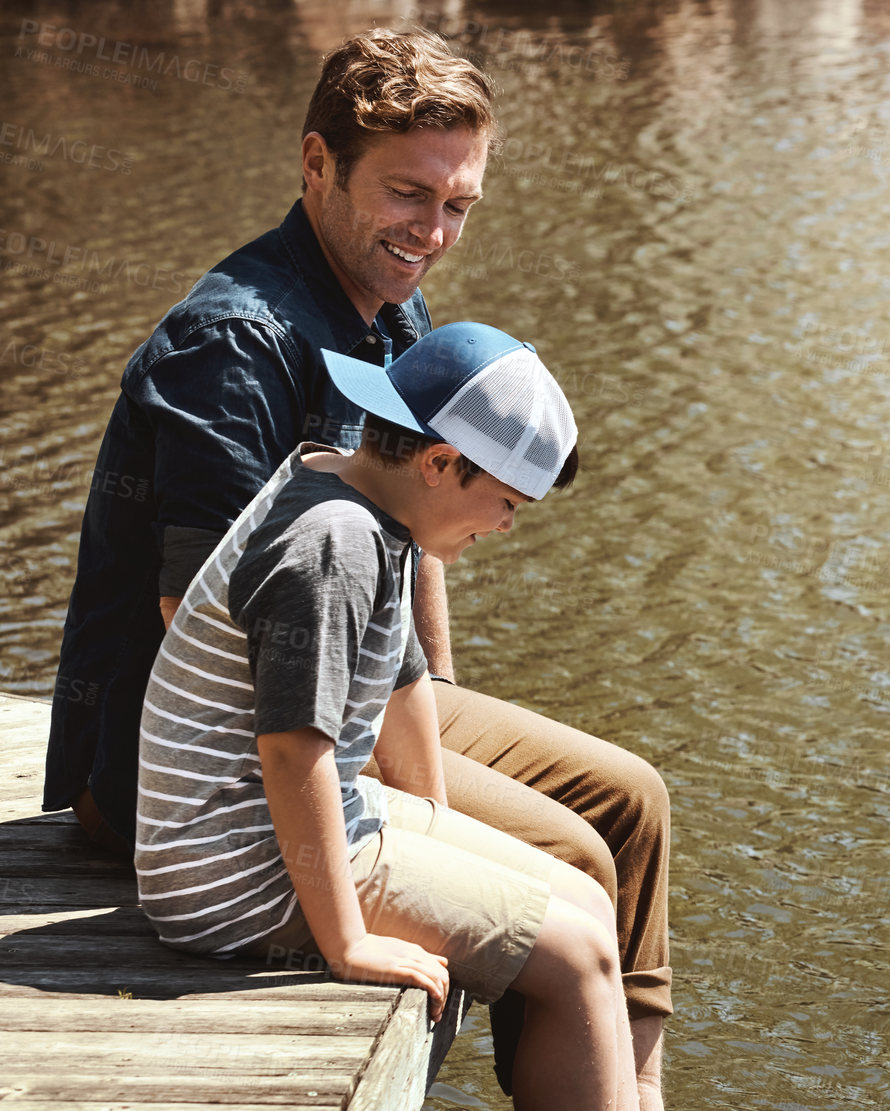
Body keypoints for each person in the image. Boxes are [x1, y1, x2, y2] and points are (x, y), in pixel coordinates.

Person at [43, 29, 667, 1103]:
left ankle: (632, 1083)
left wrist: (439, 704)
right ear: (316, 164)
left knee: (634, 801)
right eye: (407, 193)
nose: (431, 232)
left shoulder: (389, 307)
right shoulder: (234, 341)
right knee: (577, 856)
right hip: (194, 759)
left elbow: (410, 542)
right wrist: (424, 811)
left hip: (341, 677)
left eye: (457, 204)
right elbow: (206, 612)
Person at [138, 322, 638, 1110]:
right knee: (577, 957)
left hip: (293, 829)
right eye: (504, 501)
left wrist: (431, 822)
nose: (505, 525)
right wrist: (349, 943)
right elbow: (290, 752)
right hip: (231, 870)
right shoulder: (334, 543)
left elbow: (403, 683)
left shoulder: (364, 493)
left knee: (588, 901)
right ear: (440, 462)